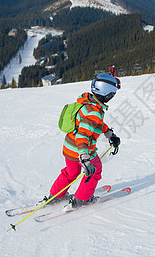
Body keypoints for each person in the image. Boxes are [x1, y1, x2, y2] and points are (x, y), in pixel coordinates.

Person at [48, 74, 121, 208]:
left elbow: (93, 124)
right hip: (82, 150)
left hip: (69, 147)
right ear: (107, 95)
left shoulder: (88, 102)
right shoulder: (95, 111)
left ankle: (56, 195)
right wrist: (85, 158)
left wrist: (110, 134)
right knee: (94, 171)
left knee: (71, 173)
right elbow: (83, 135)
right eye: (112, 94)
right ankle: (82, 199)